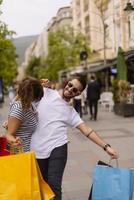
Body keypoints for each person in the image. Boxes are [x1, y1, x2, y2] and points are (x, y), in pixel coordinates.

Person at [30, 76, 119, 200]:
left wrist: (106, 147)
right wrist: (36, 84)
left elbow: (86, 130)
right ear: (67, 82)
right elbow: (24, 100)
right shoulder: (45, 92)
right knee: (41, 186)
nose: (70, 89)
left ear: (79, 94)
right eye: (70, 85)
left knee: (54, 185)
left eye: (76, 90)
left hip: (58, 148)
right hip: (37, 148)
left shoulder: (71, 112)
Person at [4, 77, 44, 152]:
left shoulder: (29, 105)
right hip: (20, 155)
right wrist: (15, 142)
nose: (38, 100)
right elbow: (8, 135)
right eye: (37, 97)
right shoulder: (19, 108)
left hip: (30, 153)